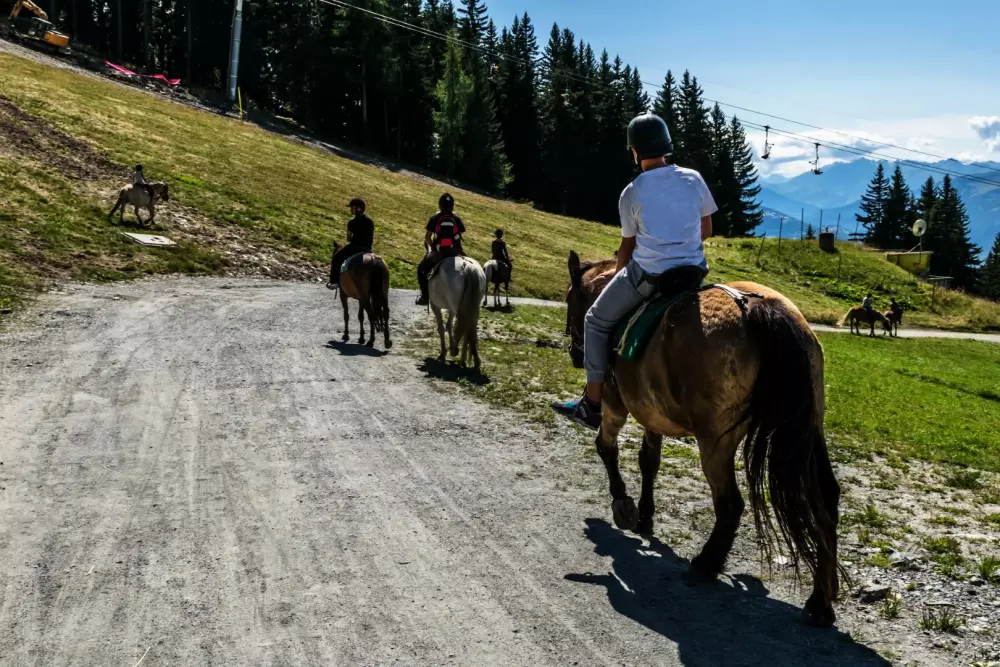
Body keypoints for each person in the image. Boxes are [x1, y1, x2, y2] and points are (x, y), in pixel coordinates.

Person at [551, 112, 717, 429]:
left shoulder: (632, 191)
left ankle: (591, 405)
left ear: (635, 152)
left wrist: (617, 274)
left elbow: (627, 247)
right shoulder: (693, 178)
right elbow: (705, 229)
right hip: (694, 273)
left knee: (595, 320)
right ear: (667, 146)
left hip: (650, 275)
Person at [415, 193, 466, 306]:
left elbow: (427, 237)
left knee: (421, 269)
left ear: (440, 205)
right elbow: (459, 238)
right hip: (454, 252)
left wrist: (433, 248)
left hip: (439, 253)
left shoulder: (435, 218)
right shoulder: (457, 219)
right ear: (453, 206)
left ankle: (425, 296)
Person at [328, 198, 375, 288]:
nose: (350, 210)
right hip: (368, 249)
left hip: (354, 248)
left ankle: (334, 281)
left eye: (352, 208)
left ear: (358, 209)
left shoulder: (352, 223)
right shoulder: (370, 221)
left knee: (336, 258)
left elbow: (349, 239)